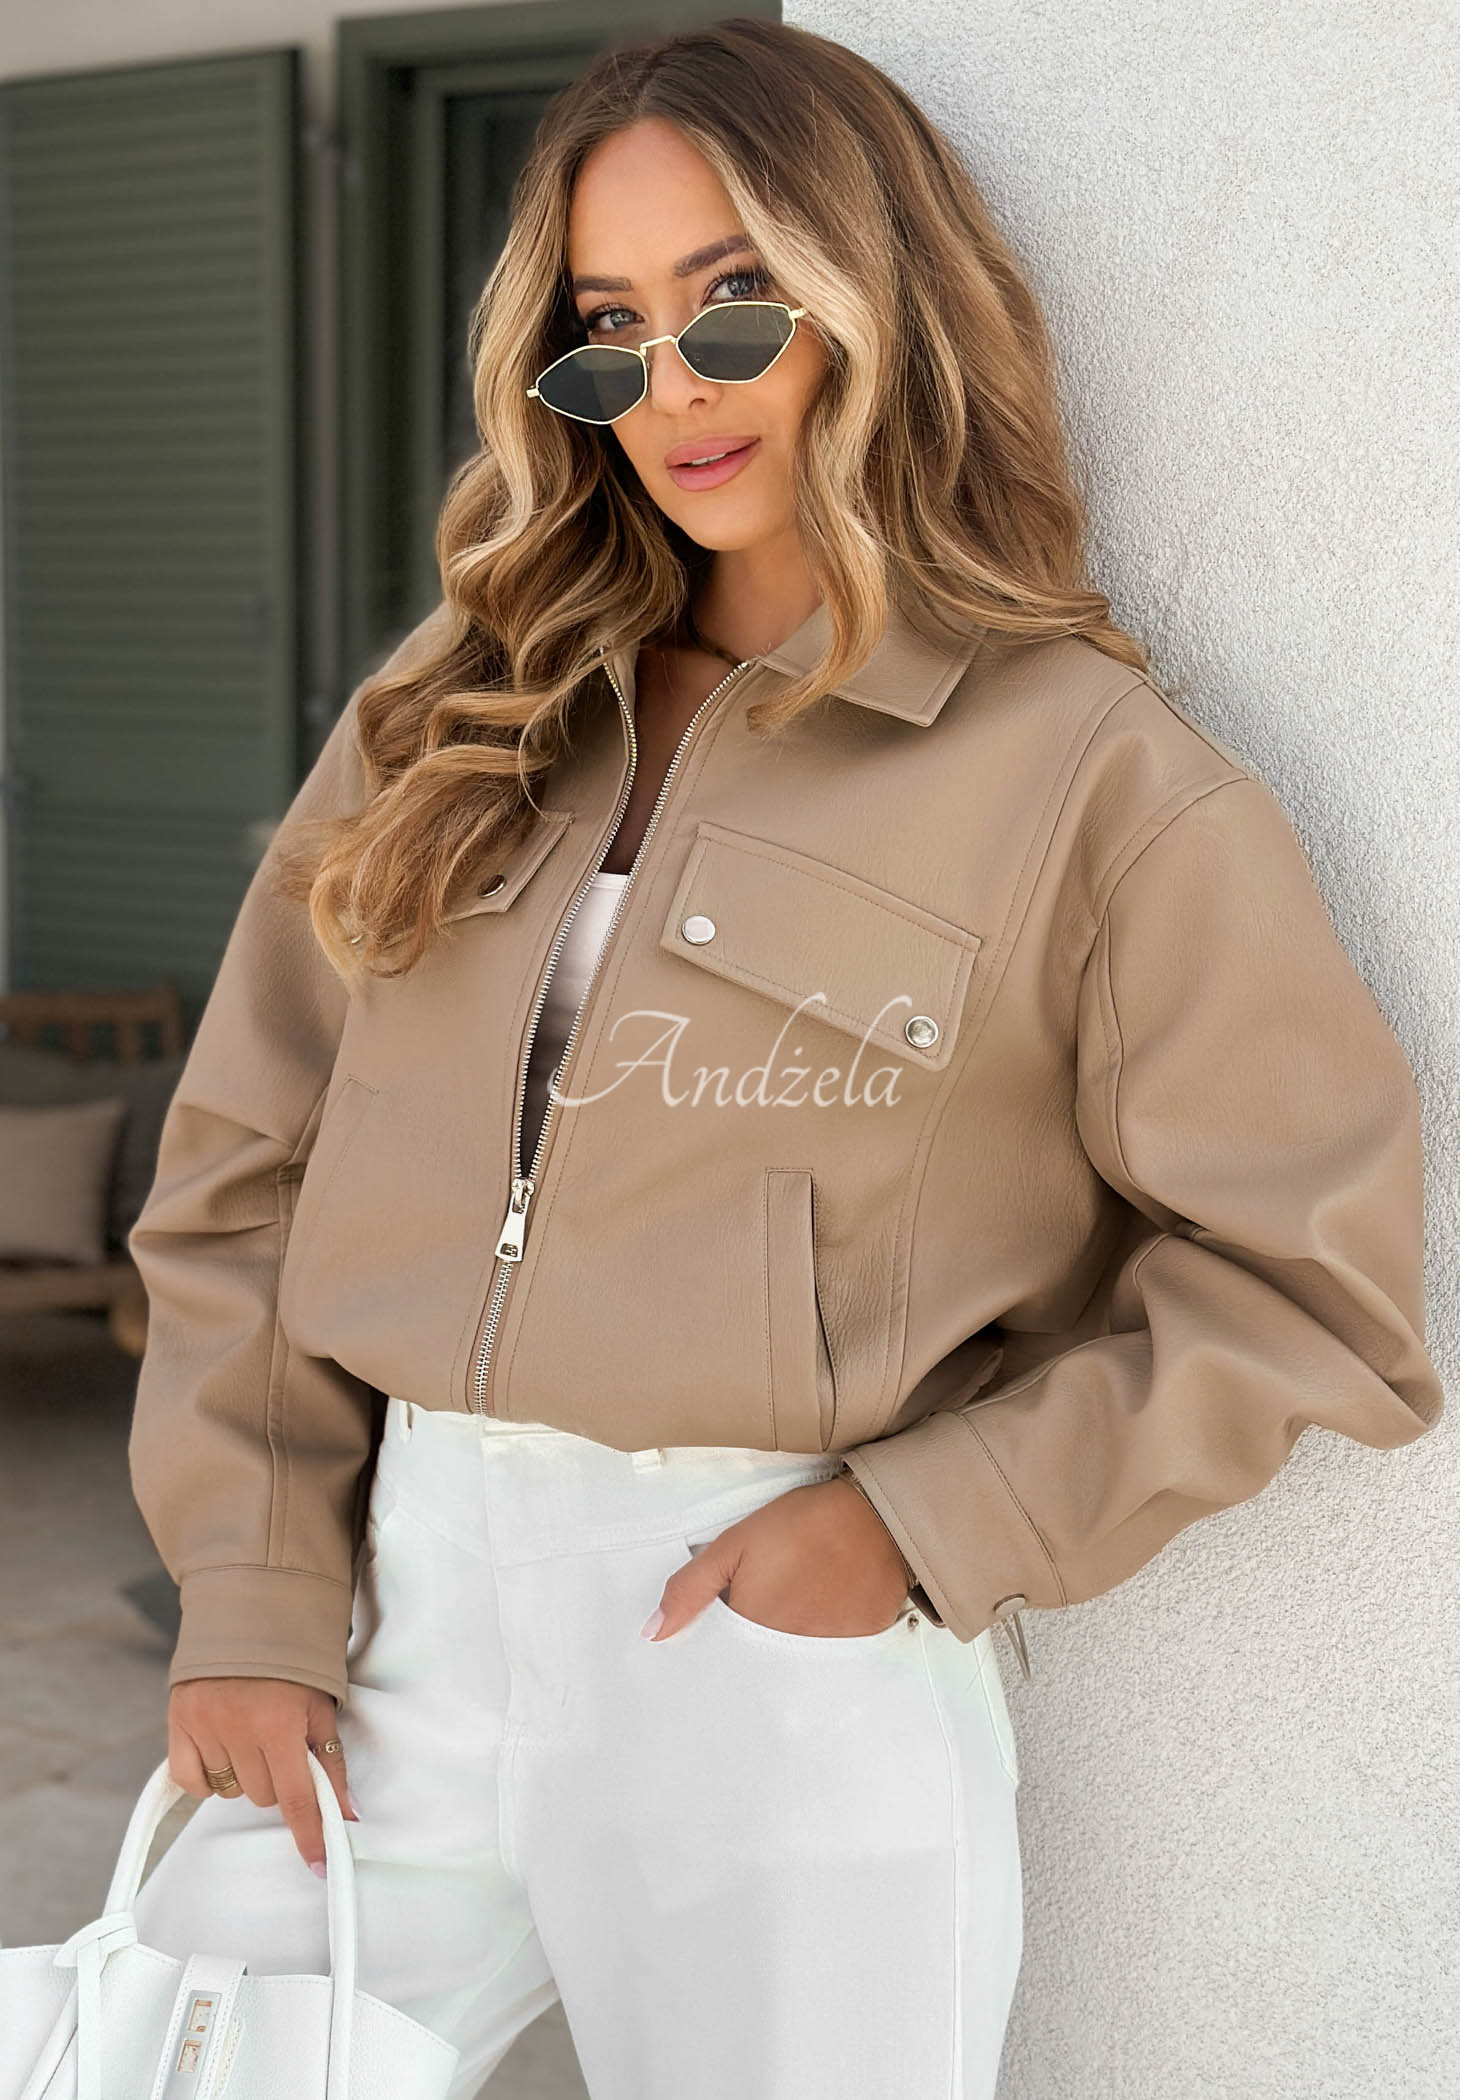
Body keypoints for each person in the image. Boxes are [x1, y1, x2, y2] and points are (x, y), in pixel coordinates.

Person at [124, 18, 1443, 2100]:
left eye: (734, 300)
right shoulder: (451, 715)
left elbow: (1317, 1284)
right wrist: (253, 1582)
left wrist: (924, 1525)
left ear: (872, 295)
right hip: (387, 1617)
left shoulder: (1088, 777)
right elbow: (245, 1166)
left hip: (762, 1638)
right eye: (608, 328)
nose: (675, 388)